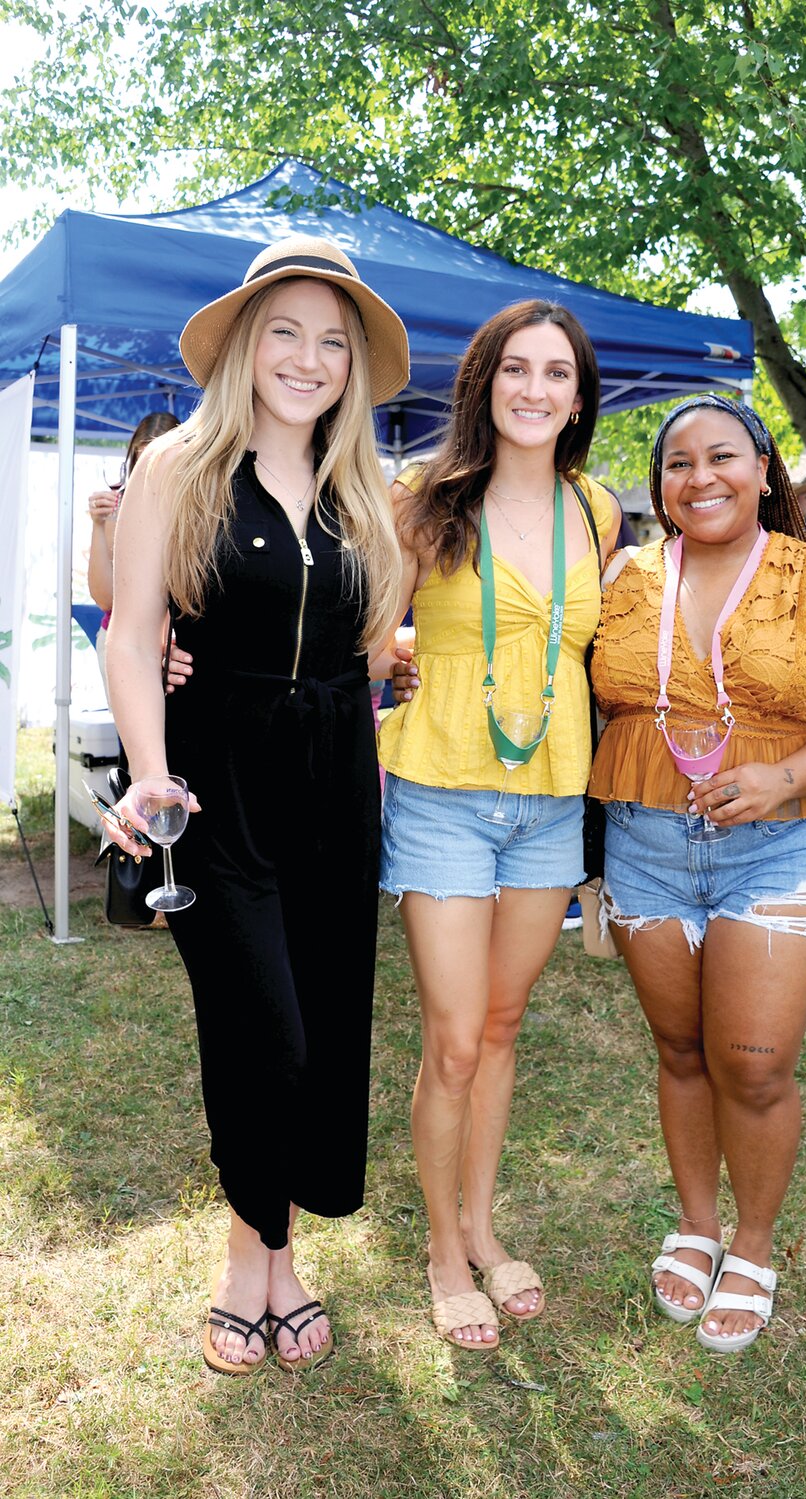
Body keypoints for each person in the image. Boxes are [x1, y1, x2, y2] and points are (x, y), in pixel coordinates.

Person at [101, 235, 410, 1374]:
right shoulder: (178, 466)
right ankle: (249, 1254)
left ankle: (282, 1256)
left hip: (336, 770)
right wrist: (147, 767)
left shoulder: (364, 486)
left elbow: (371, 643)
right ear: (242, 341)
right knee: (261, 1028)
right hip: (214, 774)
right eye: (285, 329)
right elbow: (131, 635)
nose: (309, 357)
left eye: (332, 341)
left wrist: (390, 663)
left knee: (325, 1024)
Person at [589, 394, 806, 1352]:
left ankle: (753, 1241)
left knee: (756, 1062)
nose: (702, 478)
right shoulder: (626, 579)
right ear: (658, 486)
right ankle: (697, 1225)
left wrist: (784, 775)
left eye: (723, 456)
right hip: (646, 845)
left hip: (779, 843)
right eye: (679, 463)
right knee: (682, 1051)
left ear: (765, 468)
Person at [378, 300, 620, 1349]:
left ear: (578, 395)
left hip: (551, 799)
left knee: (501, 1026)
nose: (534, 389)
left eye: (554, 373)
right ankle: (439, 1247)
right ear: (483, 382)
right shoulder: (422, 500)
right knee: (451, 1038)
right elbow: (352, 626)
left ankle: (482, 1223)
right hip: (442, 794)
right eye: (514, 369)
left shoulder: (598, 510)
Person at [86, 411, 185, 695]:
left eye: (158, 459)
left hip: (179, 645)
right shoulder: (119, 506)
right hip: (126, 642)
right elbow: (106, 598)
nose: (147, 470)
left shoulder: (196, 509)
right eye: (141, 459)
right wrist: (98, 525)